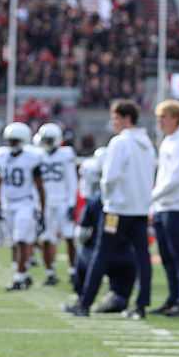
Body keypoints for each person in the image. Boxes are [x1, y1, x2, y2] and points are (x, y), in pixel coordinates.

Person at [67, 100, 156, 319]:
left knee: (100, 254)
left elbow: (110, 176)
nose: (113, 122)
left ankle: (85, 302)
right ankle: (141, 304)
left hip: (116, 210)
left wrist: (108, 198)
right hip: (139, 209)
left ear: (126, 119)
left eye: (116, 118)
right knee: (143, 256)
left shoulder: (119, 142)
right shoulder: (147, 142)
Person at [149, 100, 179, 317]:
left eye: (163, 117)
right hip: (163, 205)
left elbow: (176, 178)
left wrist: (151, 197)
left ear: (174, 118)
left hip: (176, 205)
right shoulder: (170, 140)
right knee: (167, 256)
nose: (159, 121)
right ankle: (173, 297)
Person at [0, 123, 47, 291]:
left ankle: (19, 277)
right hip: (9, 203)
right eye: (10, 141)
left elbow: (39, 185)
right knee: (14, 242)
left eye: (15, 141)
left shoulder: (32, 157)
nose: (12, 144)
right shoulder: (2, 155)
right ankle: (24, 274)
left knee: (22, 240)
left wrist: (42, 208)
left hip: (25, 202)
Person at [35, 123, 78, 286]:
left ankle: (73, 271)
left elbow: (72, 180)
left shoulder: (66, 154)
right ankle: (50, 272)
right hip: (45, 203)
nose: (46, 142)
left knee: (69, 236)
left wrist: (72, 203)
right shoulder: (37, 155)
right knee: (46, 238)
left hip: (62, 201)